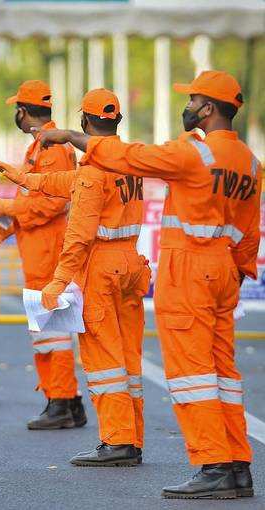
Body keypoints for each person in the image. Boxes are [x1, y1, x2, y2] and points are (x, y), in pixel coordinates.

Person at [39, 70, 260, 499]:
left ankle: (212, 464)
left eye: (193, 100)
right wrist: (237, 272)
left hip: (190, 271)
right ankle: (236, 466)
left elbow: (130, 156)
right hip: (224, 272)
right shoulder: (249, 162)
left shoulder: (194, 152)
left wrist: (69, 136)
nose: (189, 107)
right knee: (223, 373)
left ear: (209, 109)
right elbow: (248, 232)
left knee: (192, 373)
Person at [0, 89, 149, 466]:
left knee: (104, 360)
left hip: (102, 269)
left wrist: (58, 282)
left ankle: (117, 442)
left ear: (83, 122)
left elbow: (78, 236)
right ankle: (132, 438)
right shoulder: (127, 163)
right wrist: (25, 179)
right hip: (131, 263)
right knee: (128, 358)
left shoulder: (94, 173)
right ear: (117, 122)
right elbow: (69, 182)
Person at [0, 80, 86, 430]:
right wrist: (9, 225)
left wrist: (5, 207)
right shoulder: (43, 146)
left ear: (23, 112)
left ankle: (60, 403)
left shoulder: (51, 149)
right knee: (48, 329)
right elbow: (36, 202)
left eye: (17, 110)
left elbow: (52, 202)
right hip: (40, 246)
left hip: (47, 250)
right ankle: (67, 402)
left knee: (51, 330)